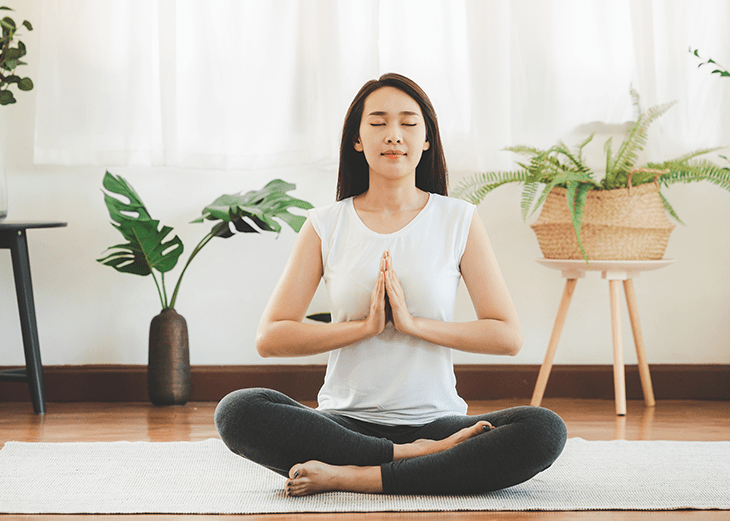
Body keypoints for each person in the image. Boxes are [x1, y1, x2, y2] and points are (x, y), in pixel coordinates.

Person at [214, 73, 566, 496]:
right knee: (238, 410)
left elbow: (506, 336)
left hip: (438, 422)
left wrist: (412, 324)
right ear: (358, 140)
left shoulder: (459, 220)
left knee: (543, 429)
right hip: (345, 422)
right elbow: (271, 338)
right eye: (378, 123)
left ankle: (352, 476)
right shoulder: (325, 224)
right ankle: (412, 459)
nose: (393, 135)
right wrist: (364, 328)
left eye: (408, 123)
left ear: (427, 139)